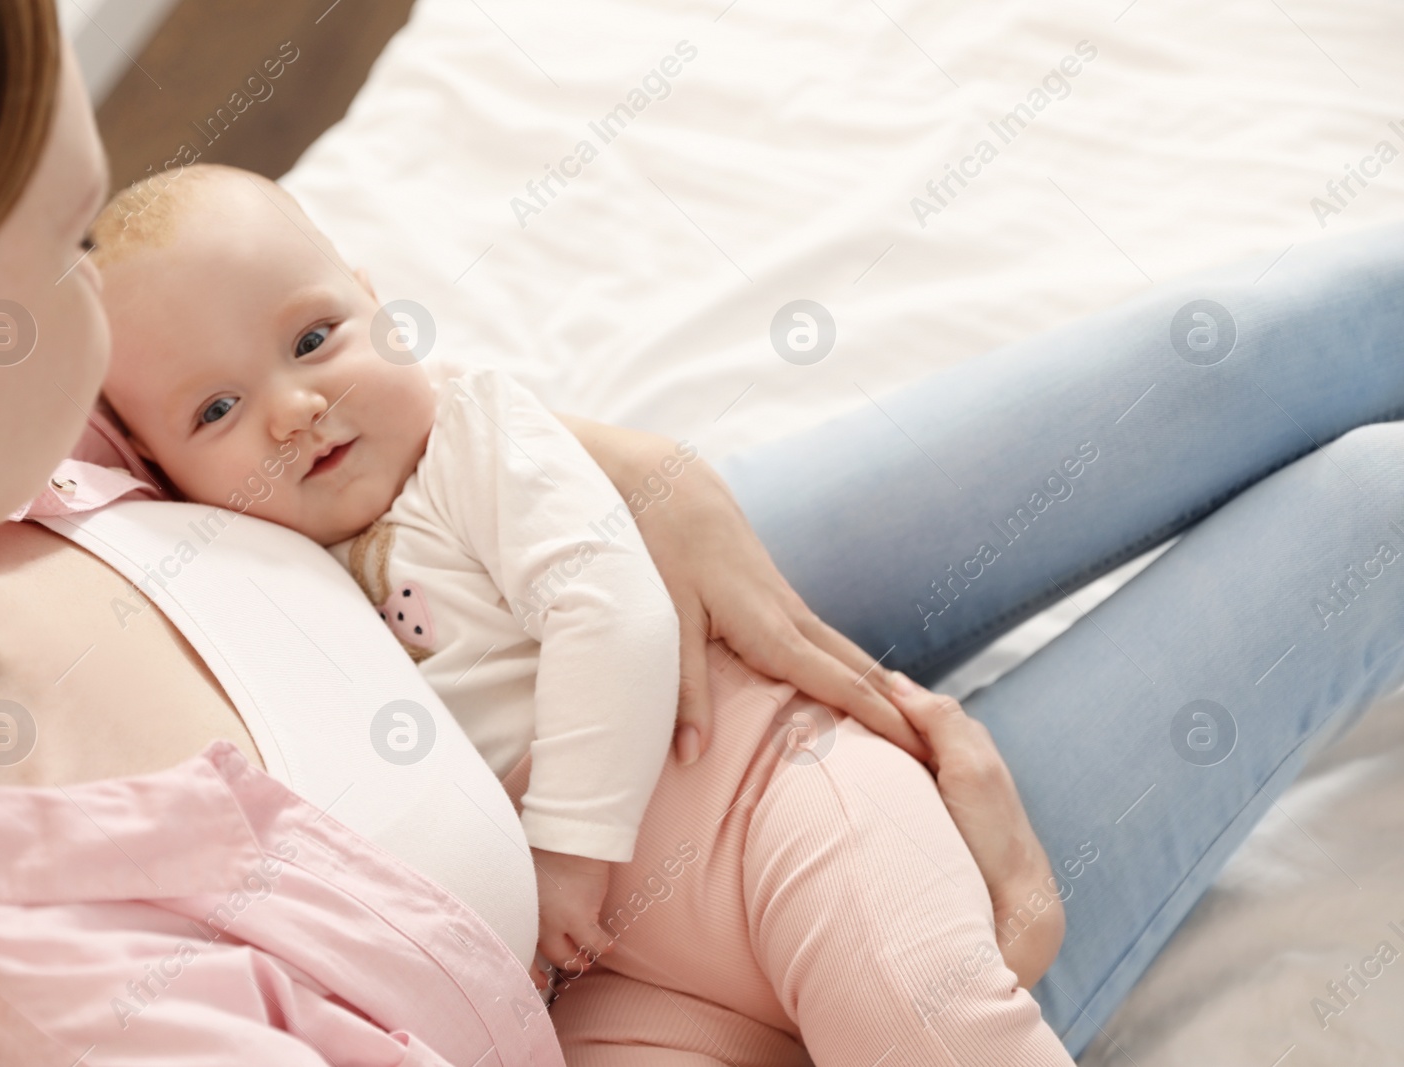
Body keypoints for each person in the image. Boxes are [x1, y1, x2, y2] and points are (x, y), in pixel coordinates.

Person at [0, 1, 1400, 1064]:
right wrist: (847, 852)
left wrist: (630, 477)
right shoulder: (61, 1002)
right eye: (64, 253)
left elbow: (316, 396)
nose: (101, 305)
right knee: (1366, 510)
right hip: (703, 948)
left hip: (552, 609)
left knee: (1242, 343)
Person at [75, 160, 1071, 1065]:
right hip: (610, 974)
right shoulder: (263, 575)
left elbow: (615, 614)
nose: (293, 407)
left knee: (916, 1013)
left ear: (376, 301)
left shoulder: (471, 437)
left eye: (311, 338)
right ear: (164, 480)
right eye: (216, 410)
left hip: (765, 809)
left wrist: (564, 851)